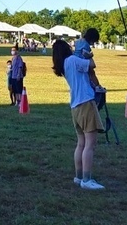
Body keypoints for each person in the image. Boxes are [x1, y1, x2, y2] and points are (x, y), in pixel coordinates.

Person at [52, 38, 105, 191]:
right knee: (90, 144)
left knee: (81, 143)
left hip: (75, 106)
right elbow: (92, 66)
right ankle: (87, 180)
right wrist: (88, 55)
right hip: (86, 103)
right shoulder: (74, 60)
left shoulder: (65, 65)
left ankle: (78, 176)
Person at [74, 28, 104, 93]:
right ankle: (97, 86)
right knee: (92, 72)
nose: (93, 43)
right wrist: (91, 55)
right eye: (93, 41)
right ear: (91, 39)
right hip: (81, 61)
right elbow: (85, 54)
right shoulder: (86, 45)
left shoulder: (79, 41)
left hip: (75, 60)